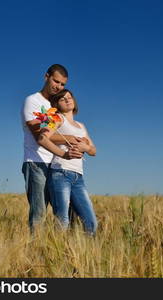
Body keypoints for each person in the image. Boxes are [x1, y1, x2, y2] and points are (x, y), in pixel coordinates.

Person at [21, 64, 84, 234]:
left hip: (59, 165)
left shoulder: (59, 104)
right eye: (56, 81)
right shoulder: (33, 101)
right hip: (36, 162)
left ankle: (63, 250)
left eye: (63, 84)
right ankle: (35, 251)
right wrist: (69, 139)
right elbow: (39, 135)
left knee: (66, 211)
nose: (59, 87)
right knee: (39, 212)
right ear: (46, 76)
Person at [37, 89, 98, 235]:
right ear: (56, 104)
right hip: (60, 173)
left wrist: (86, 147)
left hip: (78, 177)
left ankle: (85, 256)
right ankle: (56, 254)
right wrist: (64, 154)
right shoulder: (57, 118)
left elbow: (94, 151)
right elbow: (42, 138)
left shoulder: (81, 125)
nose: (67, 100)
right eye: (62, 99)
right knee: (62, 221)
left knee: (91, 223)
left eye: (69, 97)